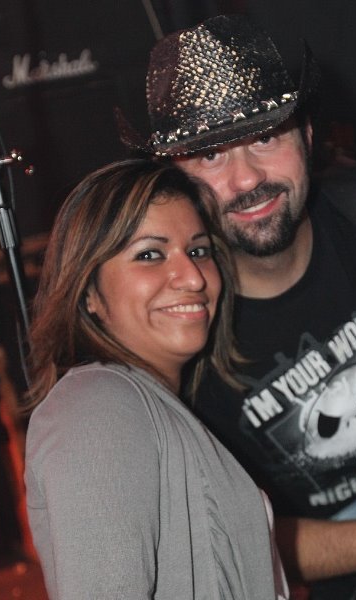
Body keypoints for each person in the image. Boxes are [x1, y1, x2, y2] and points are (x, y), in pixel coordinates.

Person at [115, 14, 356, 600]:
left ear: (308, 138)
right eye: (210, 155)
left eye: (266, 137)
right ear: (173, 182)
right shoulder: (179, 326)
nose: (247, 180)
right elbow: (239, 546)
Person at [21, 158, 290, 600]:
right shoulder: (96, 406)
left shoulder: (150, 408)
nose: (193, 277)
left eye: (199, 251)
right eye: (150, 255)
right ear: (88, 294)